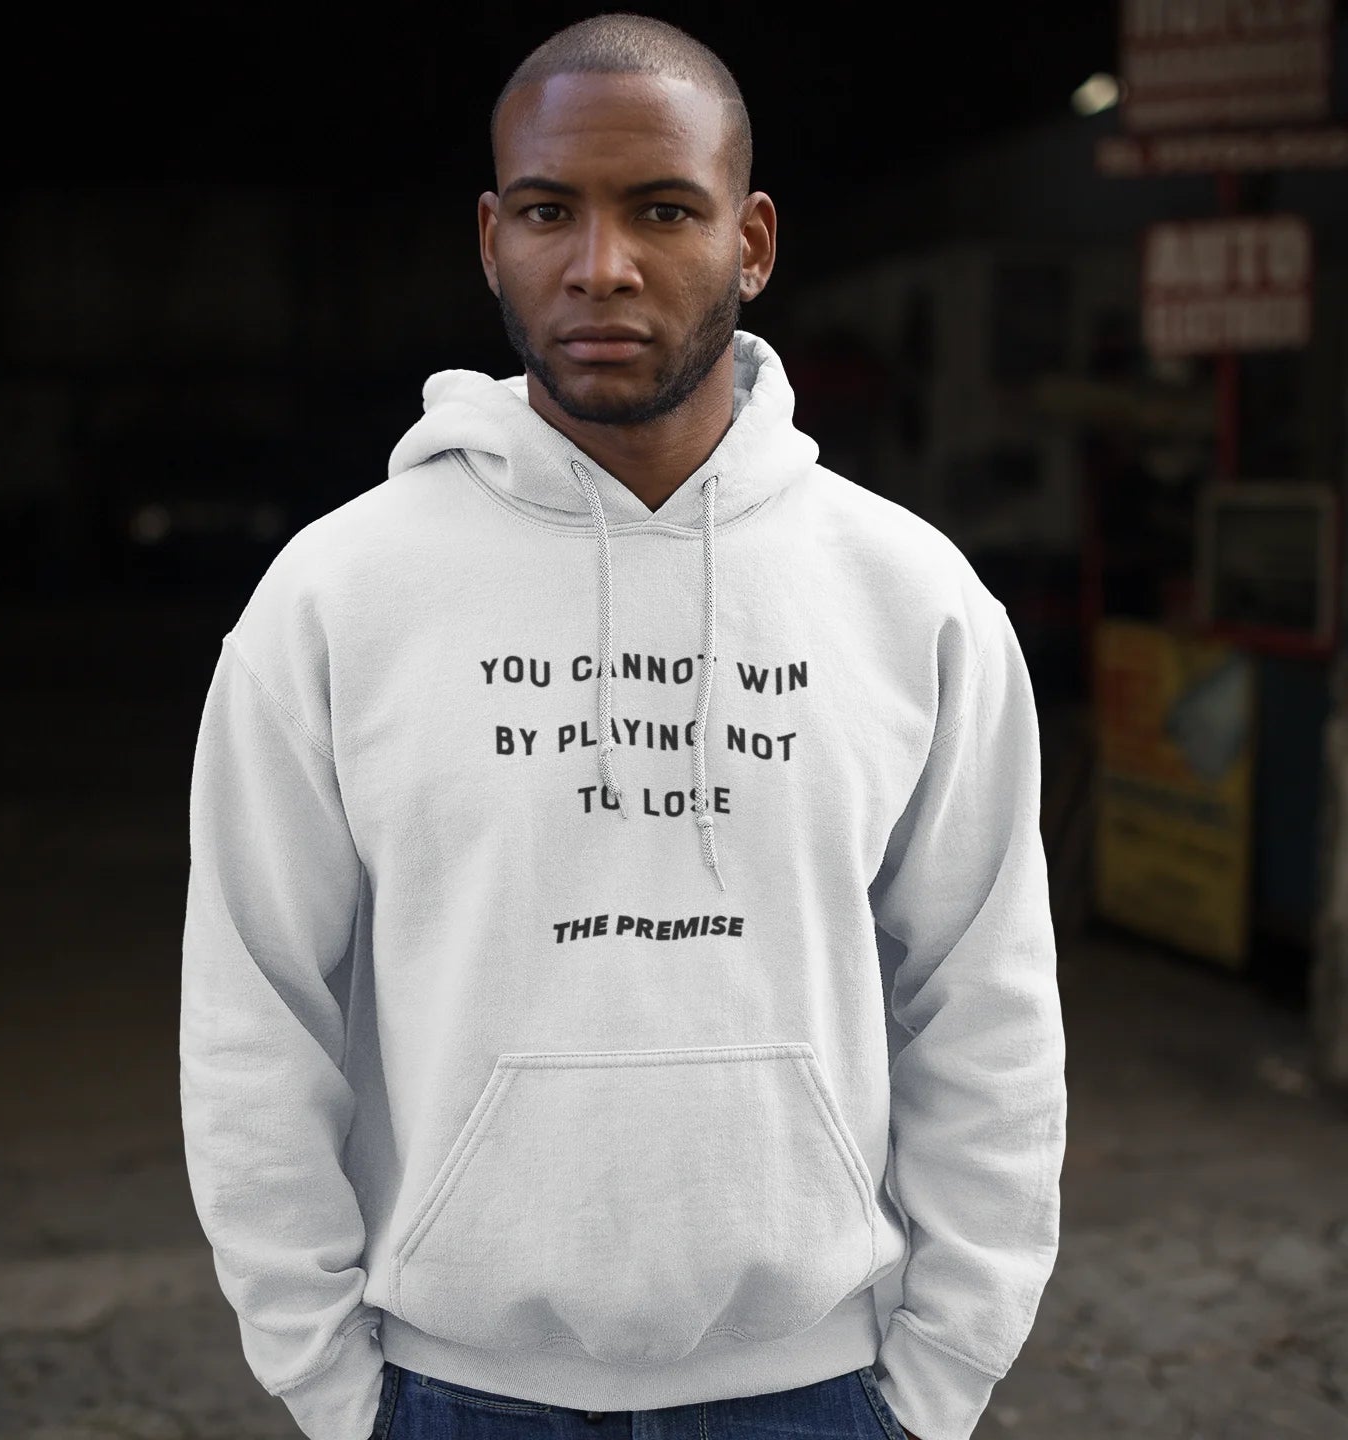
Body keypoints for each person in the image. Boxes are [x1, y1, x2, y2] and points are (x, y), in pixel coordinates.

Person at [178, 14, 1067, 1440]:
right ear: (490, 238)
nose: (602, 266)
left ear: (753, 240)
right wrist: (333, 1385)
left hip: (820, 1395)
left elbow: (985, 995)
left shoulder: (910, 596)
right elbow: (253, 1005)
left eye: (662, 209)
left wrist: (942, 1376)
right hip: (450, 1394)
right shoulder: (339, 595)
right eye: (548, 212)